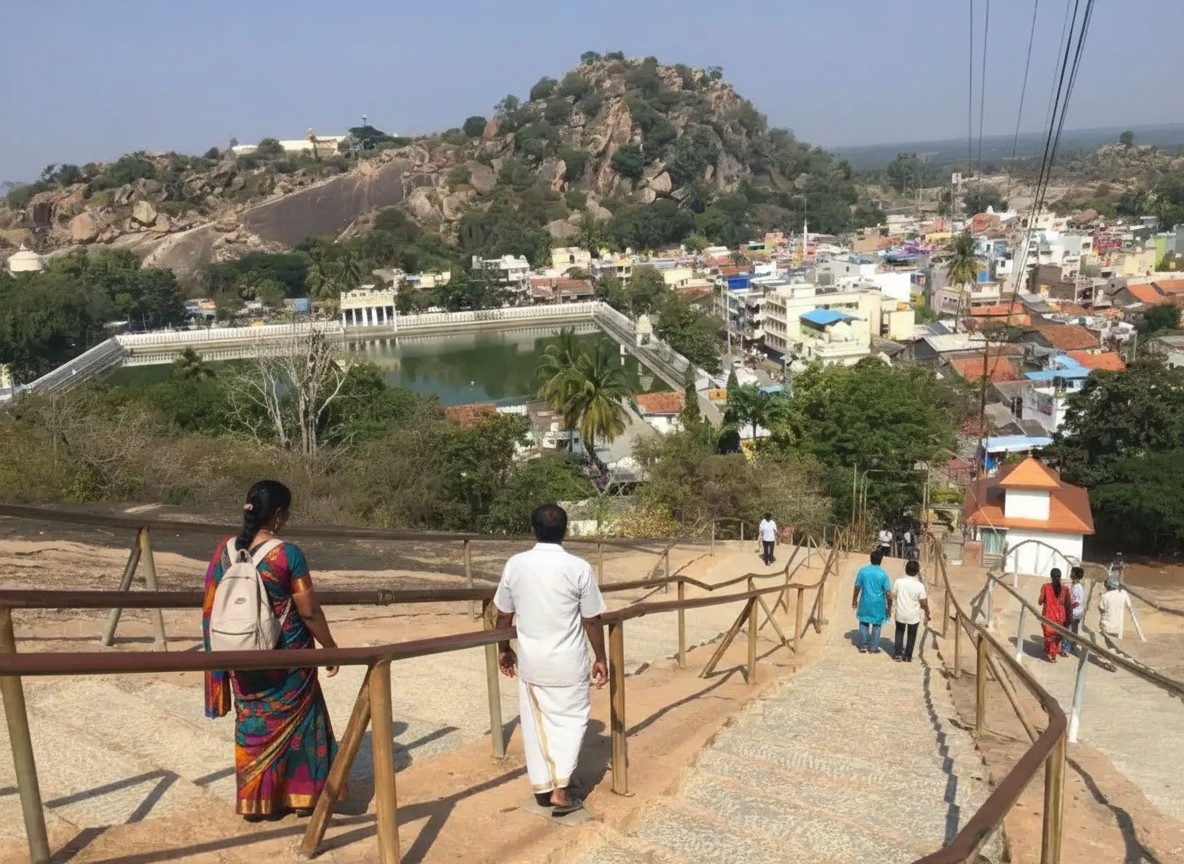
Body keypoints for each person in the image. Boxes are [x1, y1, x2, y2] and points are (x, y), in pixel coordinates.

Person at [202, 481, 340, 821]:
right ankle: (301, 798)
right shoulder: (287, 554)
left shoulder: (223, 550)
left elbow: (210, 607)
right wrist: (331, 648)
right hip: (288, 660)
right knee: (304, 723)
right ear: (278, 515)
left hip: (239, 655)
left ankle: (255, 802)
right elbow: (308, 611)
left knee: (252, 722)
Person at [494, 504, 608, 816]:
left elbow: (503, 615)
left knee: (535, 723)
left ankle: (545, 786)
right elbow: (592, 620)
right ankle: (560, 790)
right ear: (566, 530)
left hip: (532, 662)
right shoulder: (579, 568)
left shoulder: (516, 565)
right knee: (571, 720)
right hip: (568, 662)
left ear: (533, 530)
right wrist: (601, 657)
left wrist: (503, 648)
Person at [852, 550, 892, 654]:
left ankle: (864, 644)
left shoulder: (863, 571)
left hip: (865, 601)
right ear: (881, 560)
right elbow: (888, 593)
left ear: (870, 559)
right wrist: (889, 607)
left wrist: (854, 600)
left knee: (863, 622)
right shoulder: (883, 574)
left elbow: (857, 587)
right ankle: (874, 647)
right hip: (879, 604)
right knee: (877, 625)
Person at [891, 559, 931, 662]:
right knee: (912, 635)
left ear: (906, 569)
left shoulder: (898, 582)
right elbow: (923, 603)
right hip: (913, 615)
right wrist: (927, 613)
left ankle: (897, 654)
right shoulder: (920, 586)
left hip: (900, 613)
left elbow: (893, 595)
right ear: (917, 571)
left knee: (899, 632)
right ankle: (908, 656)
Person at [1037, 567, 1071, 663]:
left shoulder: (1045, 587)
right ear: (1060, 577)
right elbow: (1068, 604)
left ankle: (1050, 653)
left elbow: (1040, 601)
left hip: (1048, 615)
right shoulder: (1065, 589)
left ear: (1051, 577)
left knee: (1048, 636)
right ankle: (1053, 654)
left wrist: (1044, 600)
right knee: (1056, 637)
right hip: (1060, 617)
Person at [1097, 574, 1129, 672]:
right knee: (1114, 645)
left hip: (1107, 623)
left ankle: (1111, 662)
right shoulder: (1123, 594)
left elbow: (1101, 609)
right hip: (1118, 624)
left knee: (1109, 644)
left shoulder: (1105, 596)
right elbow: (1128, 605)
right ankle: (1112, 660)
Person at [1062, 566, 1086, 656]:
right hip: (1078, 612)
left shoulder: (1076, 588)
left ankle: (1066, 649)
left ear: (1075, 575)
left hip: (1073, 612)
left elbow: (1076, 601)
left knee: (1067, 630)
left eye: (1072, 573)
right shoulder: (1077, 586)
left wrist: (1068, 607)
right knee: (1074, 629)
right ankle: (1072, 646)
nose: (1070, 574)